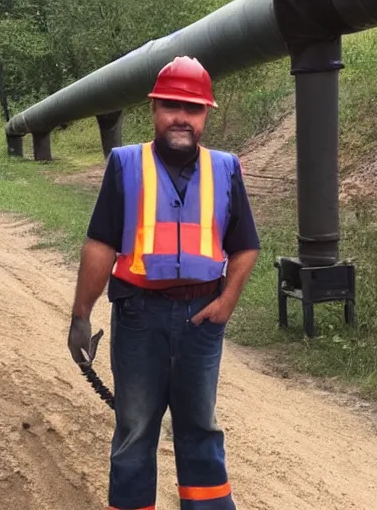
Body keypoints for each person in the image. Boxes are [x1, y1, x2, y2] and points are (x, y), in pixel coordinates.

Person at [67, 55, 260, 510]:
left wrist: (227, 301)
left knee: (201, 429)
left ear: (206, 115)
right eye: (171, 105)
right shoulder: (125, 165)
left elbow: (246, 245)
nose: (181, 117)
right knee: (135, 429)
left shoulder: (225, 169)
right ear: (154, 109)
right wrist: (80, 315)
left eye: (192, 109)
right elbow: (100, 246)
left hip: (201, 320)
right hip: (138, 317)